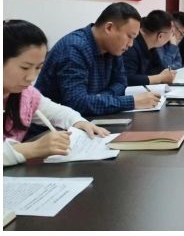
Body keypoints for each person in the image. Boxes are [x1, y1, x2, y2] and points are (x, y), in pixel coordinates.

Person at [4, 20, 109, 166]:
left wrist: (79, 122)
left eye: (38, 67)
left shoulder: (26, 94)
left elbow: (58, 112)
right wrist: (31, 149)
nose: (31, 77)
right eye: (25, 67)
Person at [35, 2, 161, 116]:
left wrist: (99, 99)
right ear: (109, 28)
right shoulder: (74, 48)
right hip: (52, 128)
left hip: (88, 119)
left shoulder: (113, 48)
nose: (131, 44)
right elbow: (77, 103)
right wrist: (131, 102)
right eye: (129, 36)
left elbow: (121, 83)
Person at [123, 10, 176, 86]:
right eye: (172, 33)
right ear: (160, 36)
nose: (172, 37)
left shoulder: (151, 46)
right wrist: (160, 78)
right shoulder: (131, 45)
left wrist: (165, 74)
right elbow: (127, 79)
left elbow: (159, 69)